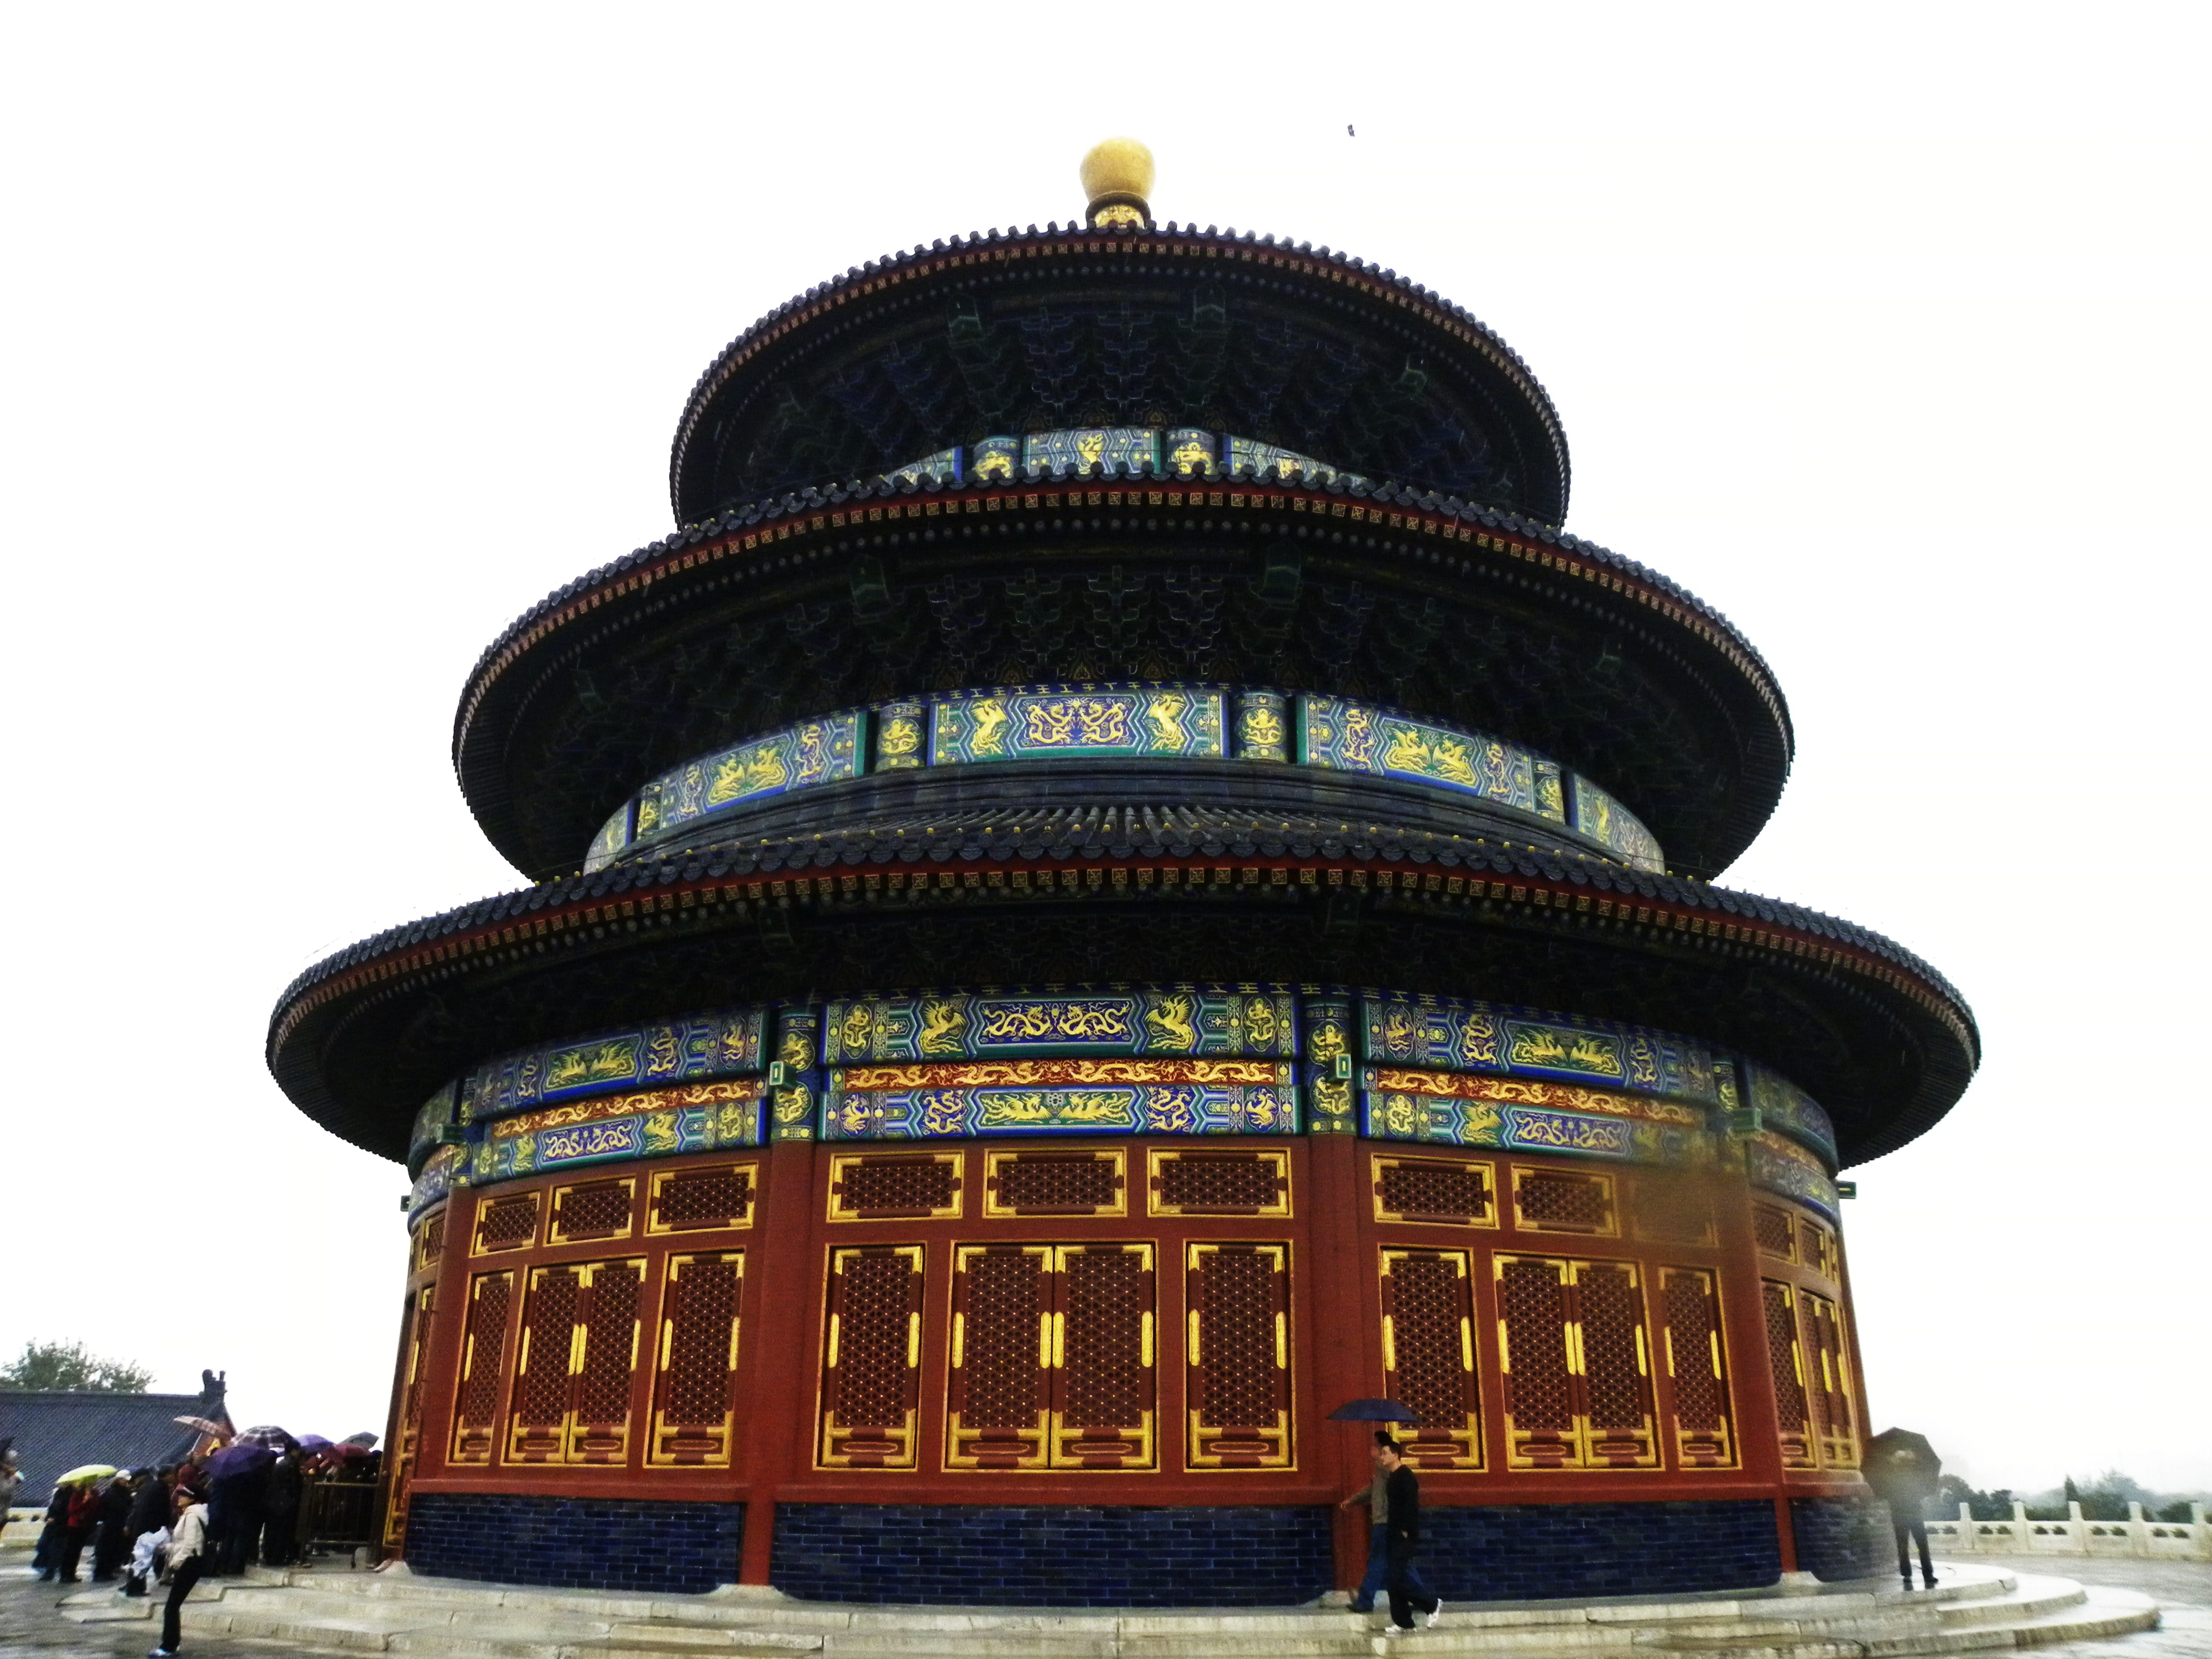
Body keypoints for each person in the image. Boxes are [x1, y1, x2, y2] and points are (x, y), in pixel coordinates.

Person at [1339, 1430, 1436, 1615]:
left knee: (1378, 1560)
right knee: (1403, 1562)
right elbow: (1373, 1490)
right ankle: (1423, 1598)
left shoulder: (1388, 1468)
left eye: (1375, 1447)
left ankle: (1366, 1600)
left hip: (1385, 1522)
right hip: (1385, 1521)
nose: (1373, 1450)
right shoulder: (1381, 1469)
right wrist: (1353, 1500)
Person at [1375, 1437, 1444, 1635]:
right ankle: (1403, 1622)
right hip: (1393, 1532)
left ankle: (1431, 1604)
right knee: (1392, 1579)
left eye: (1385, 1453)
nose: (1382, 1456)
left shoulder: (1406, 1476)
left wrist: (1406, 1530)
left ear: (1395, 1454)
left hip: (1404, 1534)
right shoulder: (1392, 1477)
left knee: (1396, 1578)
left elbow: (1411, 1506)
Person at [151, 1494, 211, 1658]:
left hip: (189, 1564)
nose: (179, 1498)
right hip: (189, 1562)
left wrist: (176, 1562)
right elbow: (183, 1543)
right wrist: (168, 1548)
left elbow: (191, 1544)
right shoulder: (190, 1514)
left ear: (192, 1498)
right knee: (173, 1605)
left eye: (184, 1495)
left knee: (172, 1606)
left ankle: (169, 1646)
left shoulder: (192, 1516)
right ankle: (171, 1643)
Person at [93, 1470, 139, 1581]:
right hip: (112, 1525)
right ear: (119, 1480)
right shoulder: (114, 1493)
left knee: (112, 1549)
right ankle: (102, 1573)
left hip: (115, 1525)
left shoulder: (117, 1492)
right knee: (108, 1550)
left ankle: (107, 1572)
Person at [54, 1477, 101, 1583]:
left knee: (77, 1551)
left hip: (86, 1525)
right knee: (71, 1550)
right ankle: (65, 1574)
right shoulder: (77, 1495)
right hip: (75, 1525)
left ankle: (72, 1573)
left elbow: (94, 1509)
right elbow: (72, 1510)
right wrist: (84, 1501)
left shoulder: (95, 1494)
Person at [259, 1449, 301, 1568]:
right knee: (281, 1532)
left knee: (272, 1531)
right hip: (284, 1504)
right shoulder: (291, 1465)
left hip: (274, 1504)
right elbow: (294, 1486)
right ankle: (277, 1557)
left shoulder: (279, 1465)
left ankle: (270, 1555)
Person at [33, 1482, 70, 1579]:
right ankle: (44, 1564)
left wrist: (56, 1520)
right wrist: (48, 1518)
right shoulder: (58, 1494)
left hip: (61, 1527)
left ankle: (50, 1571)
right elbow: (52, 1508)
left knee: (56, 1549)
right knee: (42, 1544)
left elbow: (67, 1513)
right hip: (51, 1526)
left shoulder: (70, 1495)